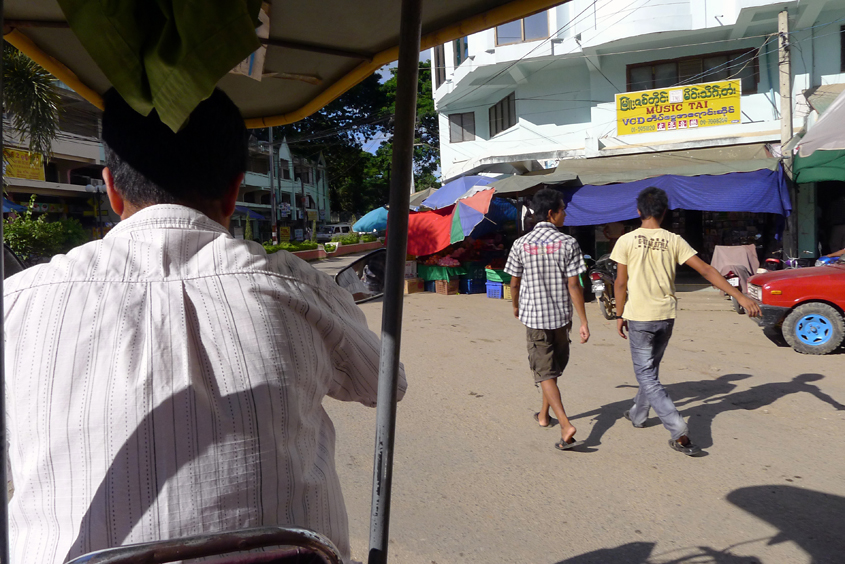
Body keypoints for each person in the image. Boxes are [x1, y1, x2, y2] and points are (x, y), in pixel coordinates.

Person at [3, 88, 405, 564]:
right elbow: (386, 384)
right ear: (235, 190)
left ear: (112, 188)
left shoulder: (19, 303)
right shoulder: (299, 287)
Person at [611, 187, 759, 456]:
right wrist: (740, 294)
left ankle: (677, 427)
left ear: (638, 211)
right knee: (651, 370)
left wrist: (620, 314)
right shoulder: (673, 240)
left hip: (640, 316)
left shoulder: (626, 241)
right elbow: (705, 269)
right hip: (665, 317)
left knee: (645, 374)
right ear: (665, 212)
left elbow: (620, 282)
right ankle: (638, 414)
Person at [505, 189, 590, 452]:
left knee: (545, 372)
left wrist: (516, 305)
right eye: (563, 209)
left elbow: (514, 282)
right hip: (561, 320)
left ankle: (566, 424)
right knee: (550, 371)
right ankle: (544, 416)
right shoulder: (569, 243)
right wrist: (584, 321)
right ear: (552, 214)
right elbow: (574, 285)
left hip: (536, 319)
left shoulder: (521, 243)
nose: (565, 213)